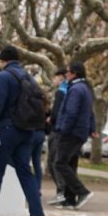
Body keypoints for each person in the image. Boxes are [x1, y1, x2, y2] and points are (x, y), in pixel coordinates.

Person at [0, 46, 46, 216]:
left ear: (3, 60)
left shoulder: (4, 77)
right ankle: (36, 211)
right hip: (27, 130)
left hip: (6, 130)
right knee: (25, 171)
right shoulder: (29, 77)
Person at [53, 62, 95, 209]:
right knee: (70, 163)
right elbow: (90, 112)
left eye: (68, 72)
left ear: (75, 74)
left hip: (71, 132)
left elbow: (71, 112)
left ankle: (82, 191)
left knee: (60, 163)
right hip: (80, 131)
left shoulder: (76, 89)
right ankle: (69, 199)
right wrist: (91, 128)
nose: (66, 75)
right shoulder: (85, 88)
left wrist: (63, 129)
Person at [46, 69, 69, 204]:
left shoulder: (61, 92)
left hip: (57, 130)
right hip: (65, 131)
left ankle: (61, 191)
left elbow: (56, 112)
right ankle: (63, 191)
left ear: (60, 78)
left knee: (53, 161)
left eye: (55, 78)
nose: (53, 81)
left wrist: (51, 119)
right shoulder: (70, 90)